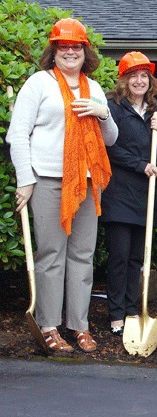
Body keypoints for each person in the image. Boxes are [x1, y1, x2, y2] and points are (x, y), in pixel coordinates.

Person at [6, 18, 118, 352]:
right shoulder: (39, 84)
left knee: (82, 256)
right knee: (52, 255)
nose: (70, 52)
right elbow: (18, 135)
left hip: (87, 182)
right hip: (49, 179)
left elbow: (110, 138)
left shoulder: (94, 88)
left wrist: (103, 112)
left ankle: (79, 326)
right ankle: (49, 326)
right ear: (54, 51)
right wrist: (26, 180)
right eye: (64, 46)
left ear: (86, 52)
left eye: (76, 47)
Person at [100, 52, 157, 336]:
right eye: (133, 76)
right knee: (119, 256)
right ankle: (115, 314)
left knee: (137, 258)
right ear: (124, 80)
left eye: (144, 76)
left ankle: (130, 310)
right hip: (118, 193)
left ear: (150, 81)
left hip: (145, 194)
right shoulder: (113, 108)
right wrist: (141, 165)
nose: (139, 81)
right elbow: (110, 148)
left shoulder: (153, 112)